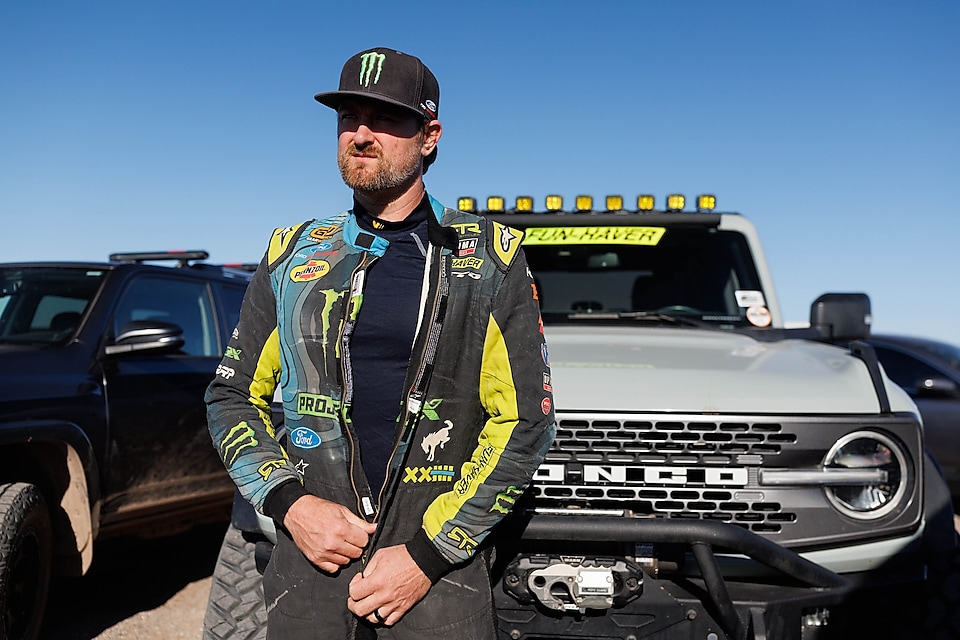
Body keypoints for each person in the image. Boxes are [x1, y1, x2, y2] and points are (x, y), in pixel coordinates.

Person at [205, 47, 556, 639]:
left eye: (386, 118)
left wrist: (427, 555)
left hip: (435, 570)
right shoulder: (292, 255)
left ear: (429, 136)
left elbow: (525, 422)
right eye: (349, 117)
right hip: (311, 557)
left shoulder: (488, 258)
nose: (361, 134)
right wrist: (291, 502)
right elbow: (230, 396)